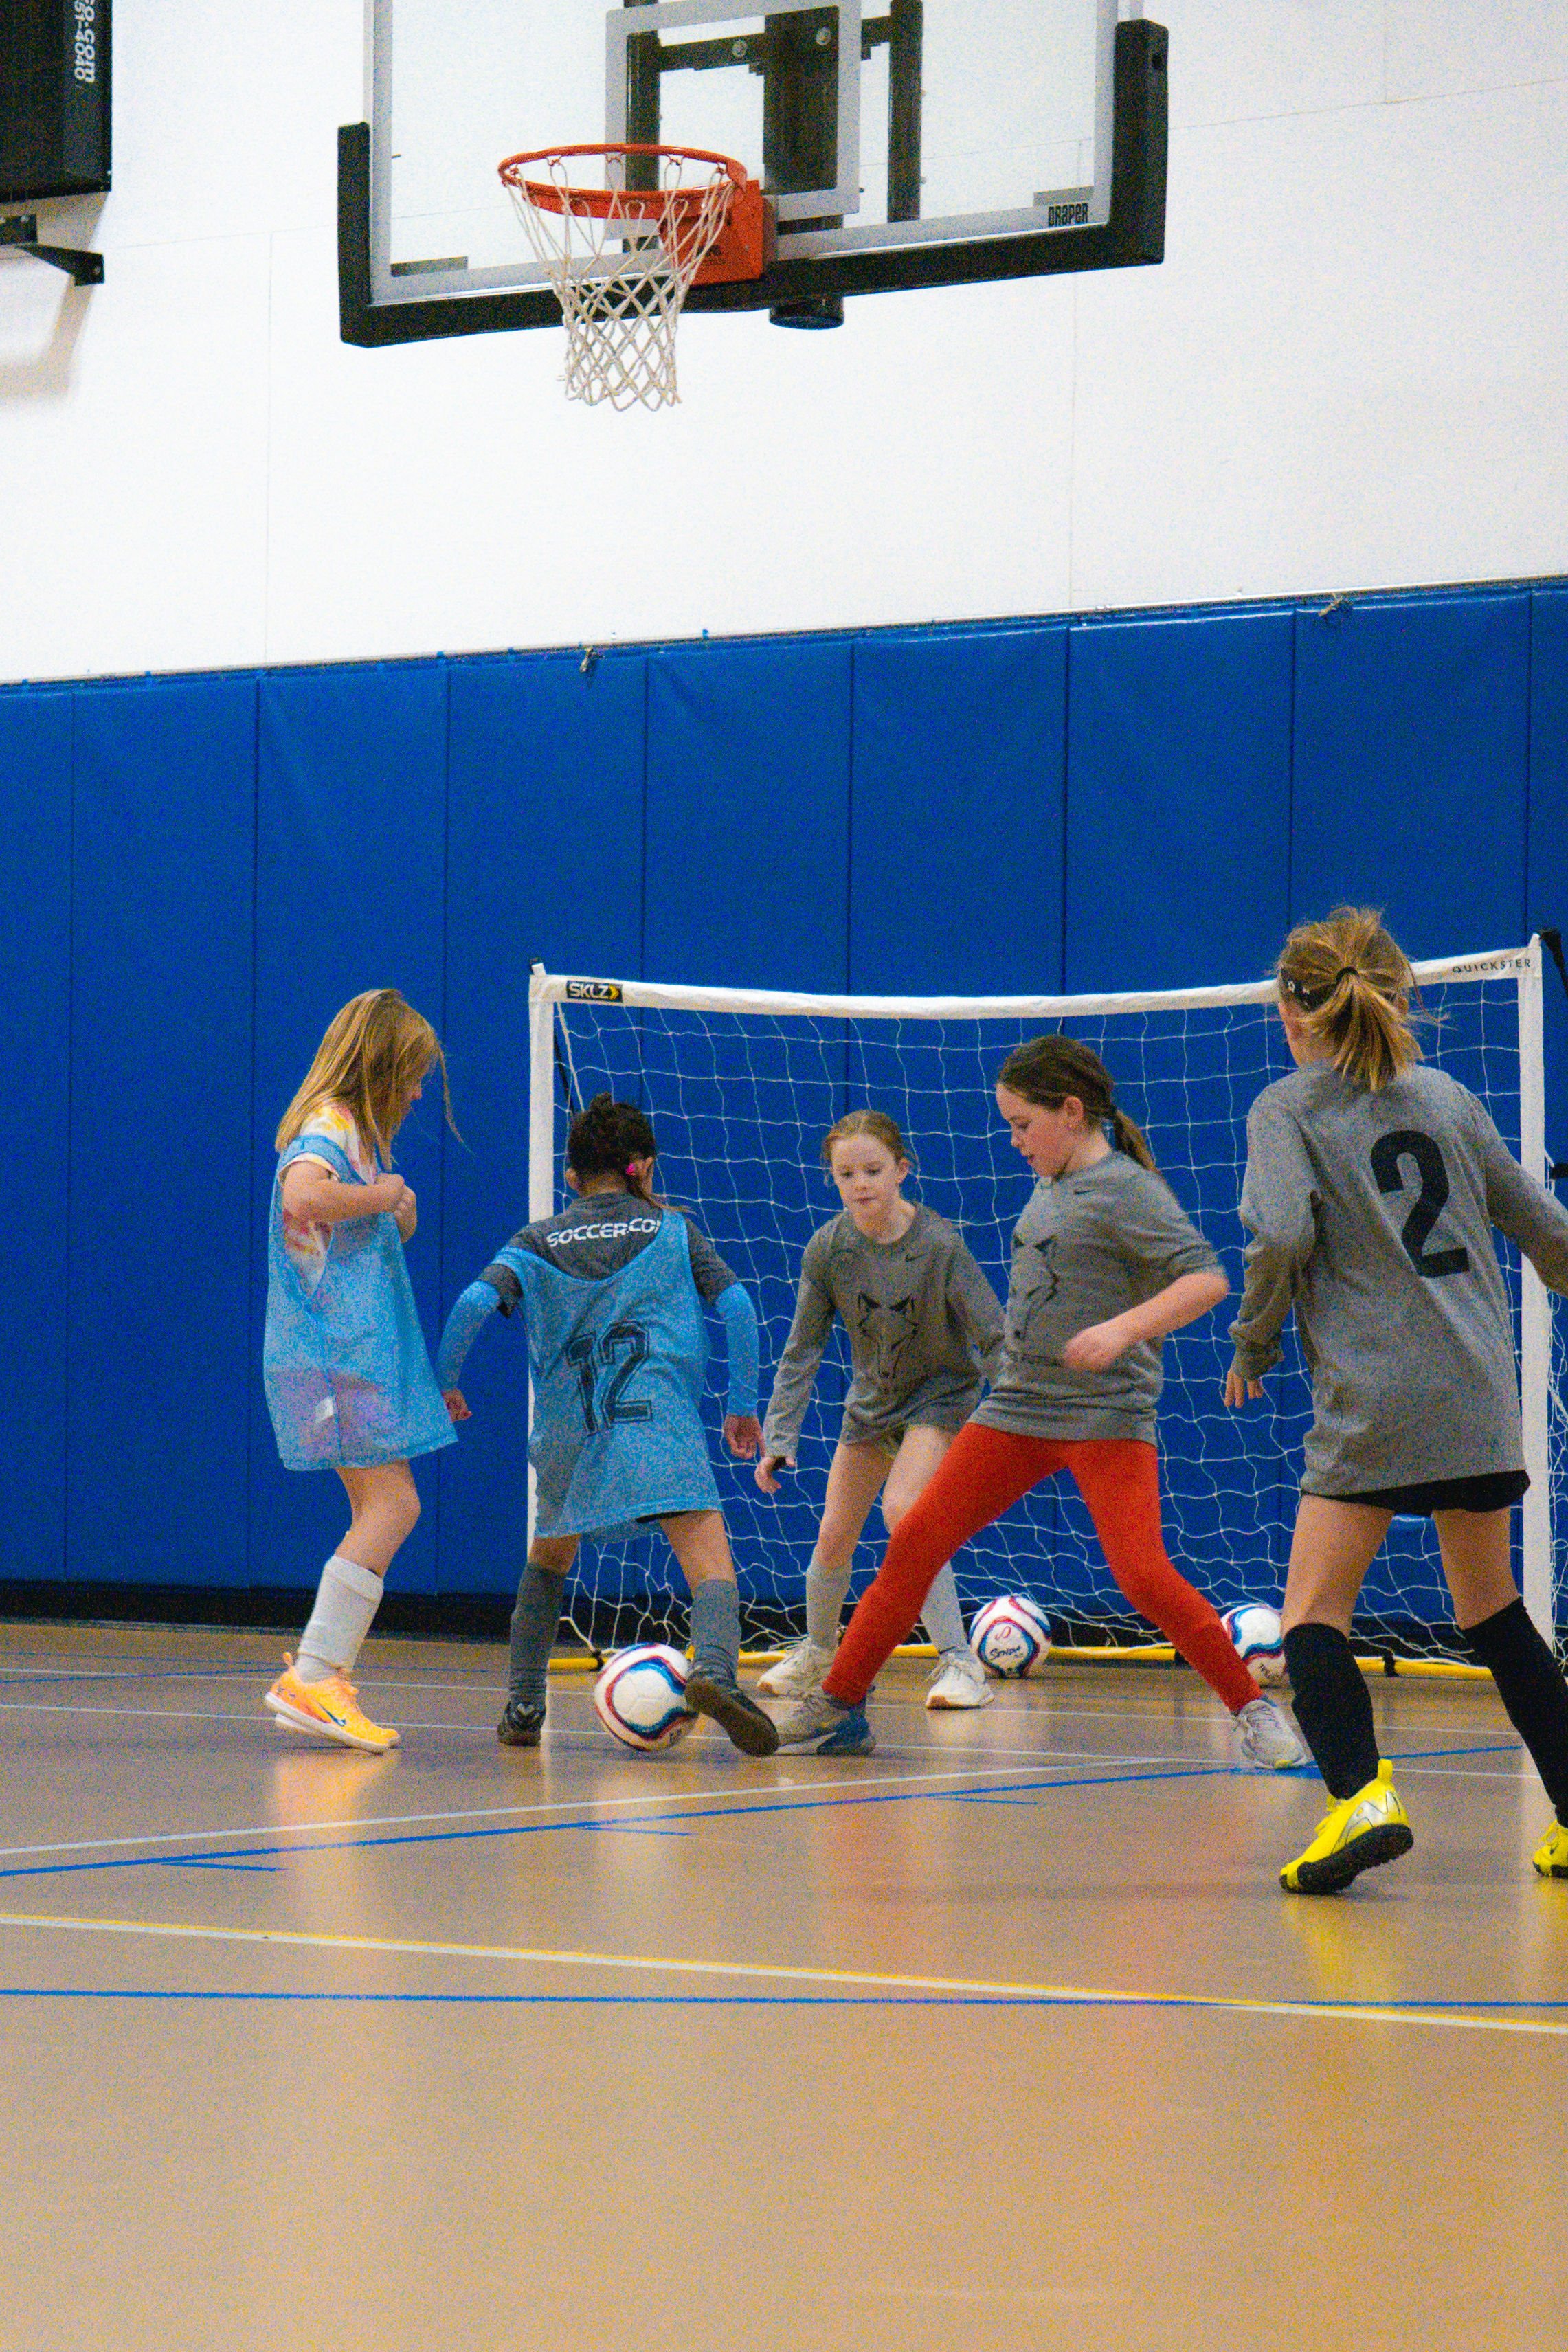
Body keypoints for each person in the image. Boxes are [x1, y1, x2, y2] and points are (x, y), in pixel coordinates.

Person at [776, 1039, 1305, 1769]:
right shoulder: (1050, 1181)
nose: (1014, 1140)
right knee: (915, 1542)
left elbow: (1204, 1281)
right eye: (1009, 1125)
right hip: (1017, 1408)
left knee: (1142, 1576)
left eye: (1022, 1124)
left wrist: (1121, 1329)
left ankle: (1252, 1712)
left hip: (1103, 1416)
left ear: (1071, 1112)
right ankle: (837, 1707)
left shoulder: (1126, 1189)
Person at [1224, 907, 1568, 1893]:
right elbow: (1540, 1225)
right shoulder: (1449, 1096)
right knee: (1493, 1608)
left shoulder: (1286, 1108)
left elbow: (1283, 1235)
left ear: (1290, 1009)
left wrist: (1253, 1339)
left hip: (1376, 1395)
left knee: (1311, 1614)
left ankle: (1359, 1797)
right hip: (1476, 1389)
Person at [436, 1093, 778, 1758]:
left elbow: (474, 1302)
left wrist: (447, 1381)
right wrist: (741, 1403)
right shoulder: (673, 1229)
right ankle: (711, 1672)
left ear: (570, 1179)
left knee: (547, 1562)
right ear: (642, 1167)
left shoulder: (532, 1243)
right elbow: (736, 1305)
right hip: (658, 1425)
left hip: (571, 1434)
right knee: (708, 1560)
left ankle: (525, 1703)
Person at [262, 988, 457, 1755]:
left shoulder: (355, 1135)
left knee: (382, 1505)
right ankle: (315, 1673)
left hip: (347, 1357)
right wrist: (382, 1194)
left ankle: (321, 1673)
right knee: (394, 1506)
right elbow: (303, 1193)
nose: (415, 1093)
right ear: (377, 1067)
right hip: (336, 1358)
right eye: (409, 1076)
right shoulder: (331, 1126)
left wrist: (388, 1204)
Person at [754, 1110, 1004, 1710]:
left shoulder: (940, 1245)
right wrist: (779, 1436)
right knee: (833, 1535)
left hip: (940, 1398)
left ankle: (961, 1663)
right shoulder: (830, 1248)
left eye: (872, 1169)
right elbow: (802, 1349)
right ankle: (819, 1650)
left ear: (902, 1170)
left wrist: (1017, 1418)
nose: (860, 1182)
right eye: (846, 1172)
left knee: (904, 1511)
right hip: (871, 1406)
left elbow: (994, 1335)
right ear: (833, 1180)